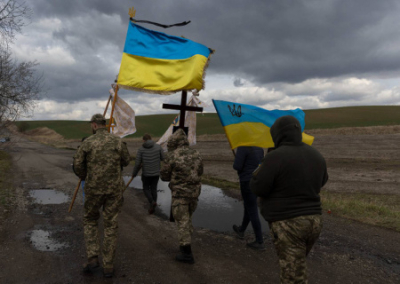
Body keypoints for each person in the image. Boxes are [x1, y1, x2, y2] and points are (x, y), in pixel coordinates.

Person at [250, 115, 328, 283]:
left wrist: (259, 170)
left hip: (288, 223)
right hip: (314, 221)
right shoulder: (316, 154)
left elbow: (258, 188)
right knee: (297, 264)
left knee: (293, 276)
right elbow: (323, 181)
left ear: (277, 135)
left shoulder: (274, 157)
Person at [73, 113, 131, 278]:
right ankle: (108, 264)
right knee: (111, 224)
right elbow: (126, 160)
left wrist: (85, 175)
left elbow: (77, 164)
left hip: (93, 189)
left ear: (94, 125)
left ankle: (93, 259)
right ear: (104, 125)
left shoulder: (88, 143)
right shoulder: (117, 141)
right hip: (114, 190)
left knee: (90, 220)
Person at [160, 128, 203, 264]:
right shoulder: (196, 153)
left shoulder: (172, 156)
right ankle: (187, 242)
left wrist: (176, 177)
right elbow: (200, 171)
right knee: (188, 218)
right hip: (194, 193)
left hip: (180, 194)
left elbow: (164, 176)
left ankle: (186, 253)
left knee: (182, 221)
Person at [232, 146, 265, 250]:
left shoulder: (243, 148)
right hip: (256, 180)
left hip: (246, 182)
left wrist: (237, 159)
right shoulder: (260, 149)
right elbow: (260, 165)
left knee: (252, 209)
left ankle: (259, 241)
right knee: (249, 206)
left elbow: (237, 166)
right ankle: (241, 230)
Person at [132, 133, 164, 214]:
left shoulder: (141, 149)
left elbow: (137, 164)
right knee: (154, 188)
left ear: (143, 140)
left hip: (146, 174)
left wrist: (134, 173)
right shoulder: (158, 147)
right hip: (156, 173)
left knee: (146, 188)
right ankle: (153, 205)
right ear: (151, 139)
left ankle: (152, 202)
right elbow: (163, 158)